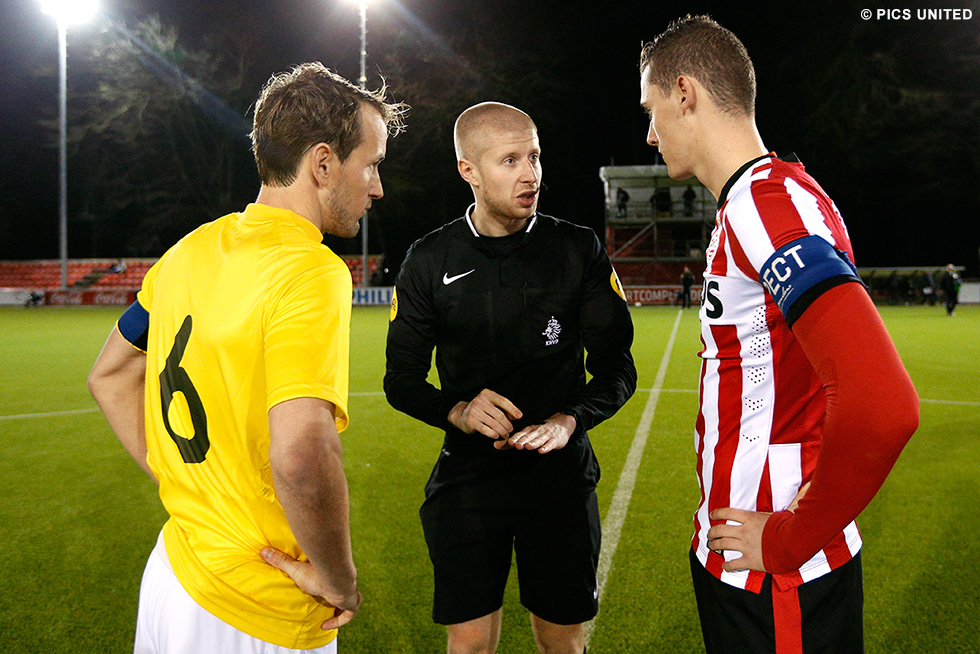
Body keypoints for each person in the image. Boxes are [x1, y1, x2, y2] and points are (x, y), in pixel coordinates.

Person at [87, 63, 406, 653]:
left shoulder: (188, 252)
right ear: (323, 163)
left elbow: (108, 376)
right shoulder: (309, 270)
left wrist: (194, 489)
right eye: (373, 163)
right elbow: (302, 452)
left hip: (173, 573)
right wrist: (339, 581)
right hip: (257, 607)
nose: (377, 186)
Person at [639, 16, 918, 653]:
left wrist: (787, 539)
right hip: (754, 565)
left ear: (686, 93)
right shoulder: (772, 197)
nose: (649, 133)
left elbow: (883, 404)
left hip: (778, 575)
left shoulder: (766, 207)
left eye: (652, 110)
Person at [384, 102, 636, 654]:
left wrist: (572, 419)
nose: (531, 174)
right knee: (470, 644)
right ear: (468, 171)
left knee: (562, 644)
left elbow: (618, 367)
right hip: (469, 481)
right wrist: (456, 410)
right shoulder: (429, 260)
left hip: (559, 481)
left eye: (535, 157)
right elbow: (400, 379)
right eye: (510, 160)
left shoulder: (578, 250)